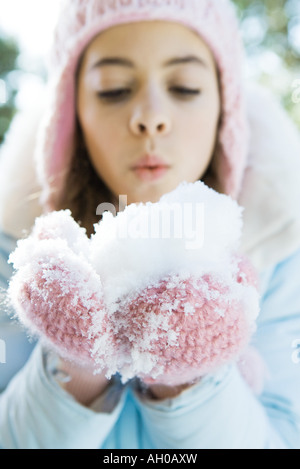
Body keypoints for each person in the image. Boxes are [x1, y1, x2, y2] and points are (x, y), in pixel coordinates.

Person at [0, 0, 300, 449]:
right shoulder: (18, 257)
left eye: (184, 86)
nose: (150, 117)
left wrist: (186, 377)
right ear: (71, 114)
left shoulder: (278, 255)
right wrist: (74, 368)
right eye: (114, 88)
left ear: (225, 108)